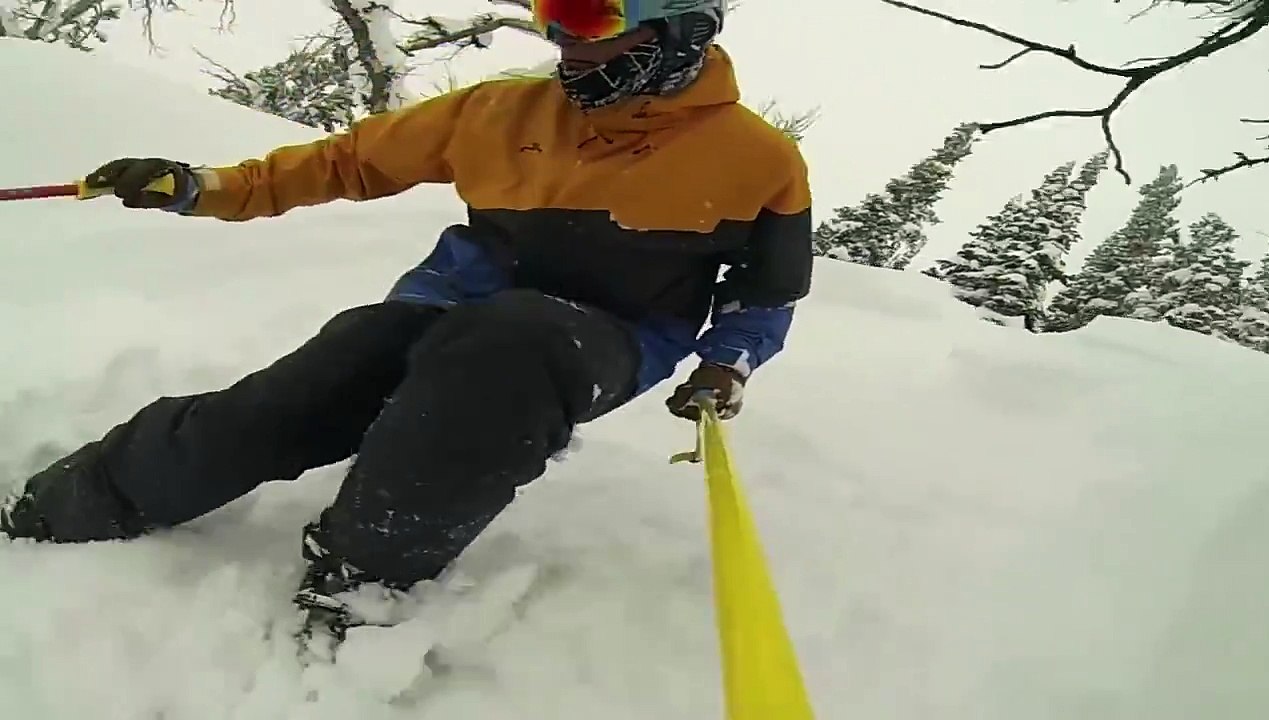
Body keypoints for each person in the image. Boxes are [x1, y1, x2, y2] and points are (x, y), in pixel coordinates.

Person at [0, 0, 812, 638]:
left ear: (681, 28)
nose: (563, 39)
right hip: (454, 303)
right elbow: (345, 162)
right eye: (549, 11)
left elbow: (766, 289)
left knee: (505, 351)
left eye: (589, 15)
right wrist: (200, 187)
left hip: (609, 332)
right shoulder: (502, 112)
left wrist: (726, 362)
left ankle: (366, 575)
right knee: (336, 369)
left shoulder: (759, 160)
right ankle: (76, 501)